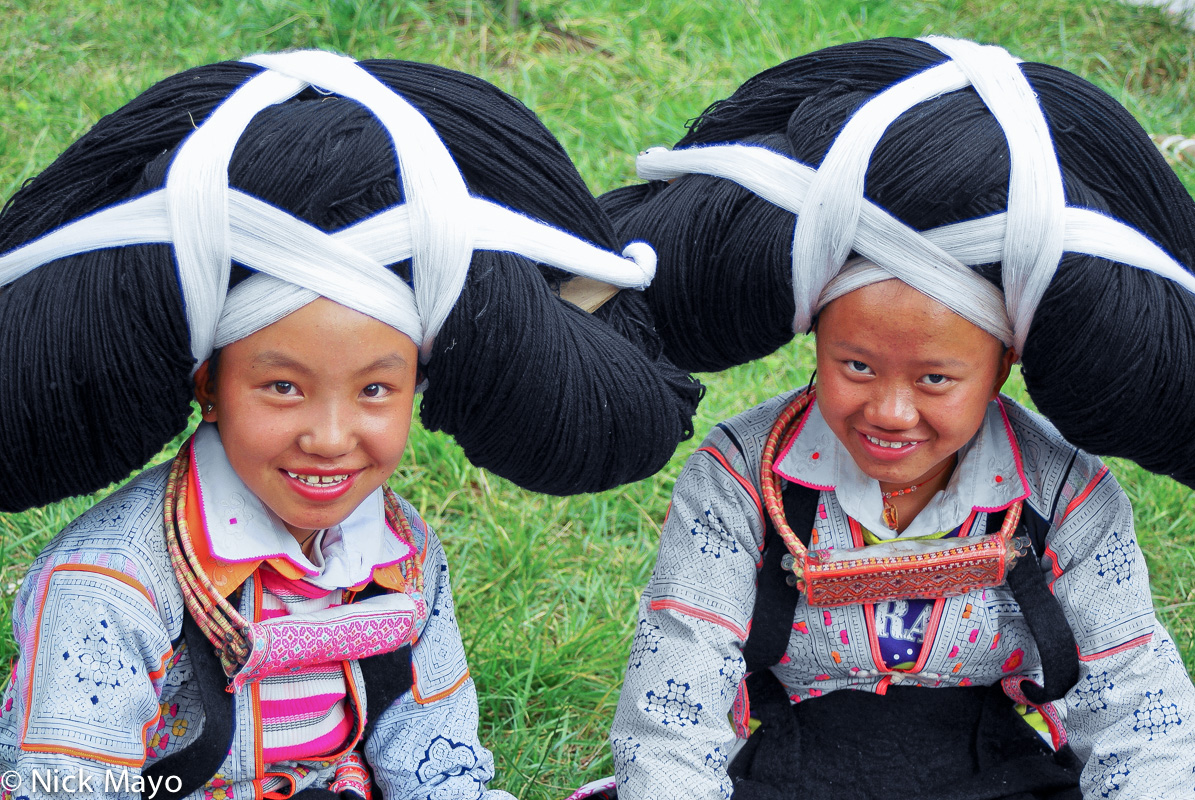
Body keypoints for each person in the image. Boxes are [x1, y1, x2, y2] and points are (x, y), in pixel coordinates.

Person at [0, 51, 701, 799]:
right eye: (281, 387)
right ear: (209, 386)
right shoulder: (112, 581)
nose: (330, 437)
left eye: (374, 389)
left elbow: (429, 742)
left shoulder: (403, 555)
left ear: (418, 388)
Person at [600, 37, 1195, 799]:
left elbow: (1134, 702)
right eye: (855, 366)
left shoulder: (1065, 497)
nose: (888, 410)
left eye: (935, 378)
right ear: (814, 336)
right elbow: (674, 698)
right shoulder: (738, 480)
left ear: (1002, 365)